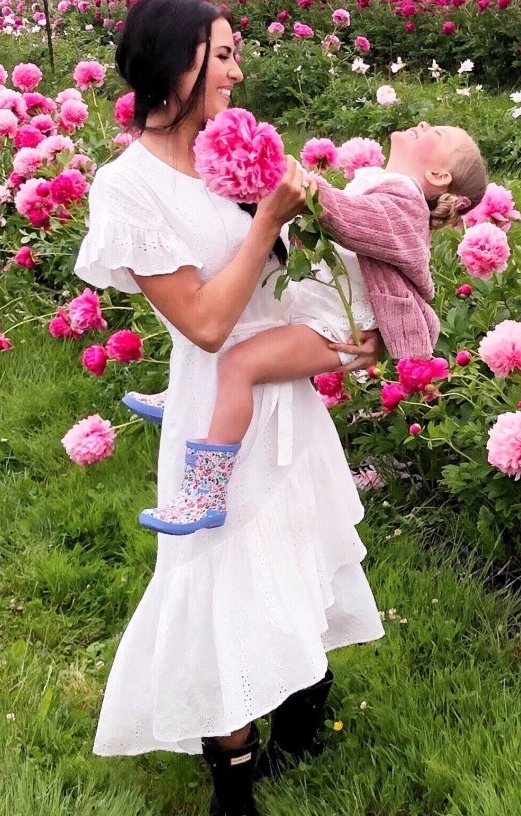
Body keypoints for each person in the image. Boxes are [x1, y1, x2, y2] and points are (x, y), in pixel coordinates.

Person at [73, 0, 383, 816]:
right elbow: (208, 323)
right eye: (224, 53)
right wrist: (267, 221)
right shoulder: (129, 187)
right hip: (219, 405)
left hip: (285, 392)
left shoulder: (227, 151)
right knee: (218, 591)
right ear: (177, 67)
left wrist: (349, 322)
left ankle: (298, 717)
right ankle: (234, 798)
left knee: (297, 550)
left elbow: (283, 282)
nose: (239, 71)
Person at [127, 121, 488, 535]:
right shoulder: (383, 184)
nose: (424, 124)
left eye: (437, 134)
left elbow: (359, 222)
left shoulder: (404, 202)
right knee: (240, 323)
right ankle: (184, 399)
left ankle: (206, 493)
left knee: (239, 365)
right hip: (320, 313)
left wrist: (307, 190)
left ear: (439, 176)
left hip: (336, 329)